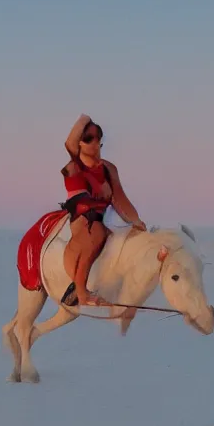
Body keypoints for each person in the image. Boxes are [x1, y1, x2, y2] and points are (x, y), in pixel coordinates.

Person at [60, 113, 146, 307]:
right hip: (82, 217)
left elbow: (120, 198)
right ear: (80, 143)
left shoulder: (108, 169)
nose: (94, 142)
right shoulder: (75, 166)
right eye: (88, 138)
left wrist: (136, 221)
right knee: (97, 233)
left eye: (98, 137)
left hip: (104, 216)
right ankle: (81, 291)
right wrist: (84, 119)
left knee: (132, 238)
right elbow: (68, 142)